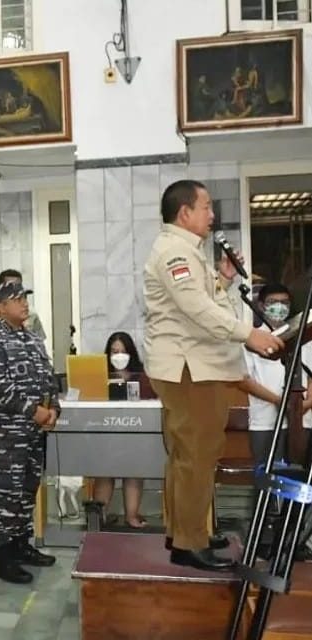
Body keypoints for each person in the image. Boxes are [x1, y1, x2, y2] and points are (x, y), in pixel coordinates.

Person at [144, 180, 283, 571]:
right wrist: (249, 334)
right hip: (190, 369)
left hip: (193, 366)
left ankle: (184, 532)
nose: (212, 215)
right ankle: (190, 542)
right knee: (197, 456)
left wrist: (223, 277)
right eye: (205, 206)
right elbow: (195, 310)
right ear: (184, 213)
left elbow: (201, 301)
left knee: (187, 455)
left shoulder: (187, 251)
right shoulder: (175, 252)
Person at [0, 281, 59, 584]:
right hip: (8, 435)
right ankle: (1, 558)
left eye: (24, 298)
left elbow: (49, 377)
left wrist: (53, 409)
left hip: (35, 434)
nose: (23, 303)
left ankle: (22, 546)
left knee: (27, 491)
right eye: (16, 299)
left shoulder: (32, 338)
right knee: (4, 496)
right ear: (0, 307)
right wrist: (33, 410)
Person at [93, 331, 146, 528]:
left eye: (123, 351)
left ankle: (132, 516)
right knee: (104, 471)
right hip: (106, 433)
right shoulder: (99, 376)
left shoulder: (141, 377)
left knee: (134, 470)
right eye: (114, 351)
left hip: (134, 432)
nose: (119, 356)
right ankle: (100, 516)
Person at [240, 284, 292, 466]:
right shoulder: (253, 338)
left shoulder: (300, 335)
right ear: (261, 305)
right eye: (273, 302)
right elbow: (244, 381)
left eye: (284, 302)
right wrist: (279, 401)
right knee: (264, 477)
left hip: (297, 423)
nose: (279, 307)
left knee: (295, 480)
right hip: (263, 422)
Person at [0, 269, 46, 340]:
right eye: (10, 285)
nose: (15, 288)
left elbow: (40, 343)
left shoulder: (31, 315)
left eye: (18, 284)